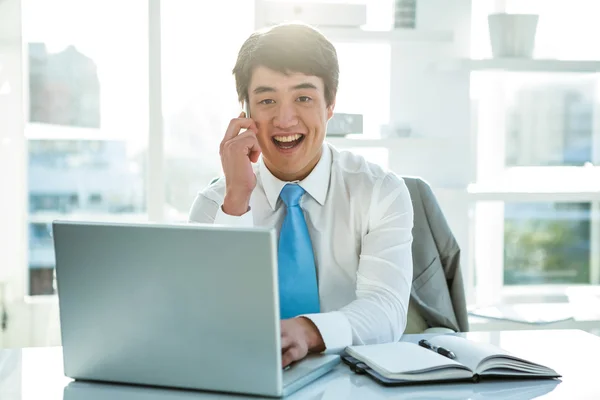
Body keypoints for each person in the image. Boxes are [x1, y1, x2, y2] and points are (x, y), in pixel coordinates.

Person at [188, 22, 414, 368]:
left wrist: (307, 332)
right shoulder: (214, 204)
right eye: (267, 100)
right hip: (247, 378)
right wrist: (236, 200)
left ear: (330, 106)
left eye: (304, 98)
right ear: (245, 112)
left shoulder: (379, 191)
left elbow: (386, 308)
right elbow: (211, 319)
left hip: (353, 380)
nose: (285, 118)